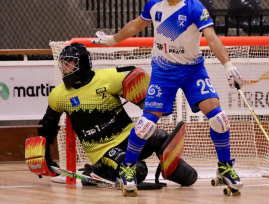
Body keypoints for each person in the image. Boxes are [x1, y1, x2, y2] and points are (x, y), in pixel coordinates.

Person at [92, 0, 244, 195]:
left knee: (219, 118)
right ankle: (127, 169)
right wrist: (111, 40)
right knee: (146, 125)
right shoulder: (154, 6)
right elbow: (134, 26)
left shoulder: (195, 7)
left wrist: (229, 67)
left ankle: (225, 168)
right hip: (163, 72)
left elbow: (212, 38)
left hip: (193, 71)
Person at [35, 42, 197, 188]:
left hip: (129, 136)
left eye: (69, 64)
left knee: (160, 137)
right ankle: (99, 171)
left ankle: (177, 173)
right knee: (138, 170)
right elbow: (47, 126)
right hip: (102, 150)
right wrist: (46, 157)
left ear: (82, 64)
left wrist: (150, 102)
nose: (64, 69)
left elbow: (141, 89)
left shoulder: (109, 78)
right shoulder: (58, 95)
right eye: (63, 65)